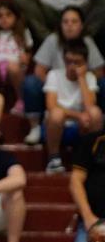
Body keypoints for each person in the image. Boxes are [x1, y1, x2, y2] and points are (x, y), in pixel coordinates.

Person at [44, 41, 103, 174]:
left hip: (82, 126)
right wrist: (78, 115)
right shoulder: (54, 75)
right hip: (57, 125)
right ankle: (54, 160)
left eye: (77, 62)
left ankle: (92, 159)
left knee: (95, 113)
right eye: (68, 61)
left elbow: (90, 106)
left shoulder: (89, 77)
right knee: (56, 114)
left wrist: (81, 78)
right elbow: (51, 106)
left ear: (85, 63)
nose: (72, 66)